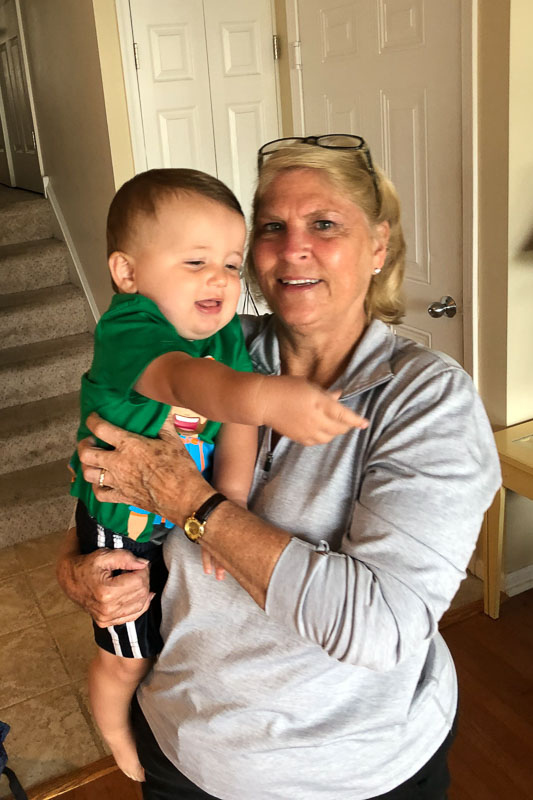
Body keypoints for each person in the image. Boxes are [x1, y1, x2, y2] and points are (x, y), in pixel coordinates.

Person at [58, 136, 501, 800]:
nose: (293, 248)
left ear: (377, 247)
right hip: (183, 749)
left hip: (352, 773)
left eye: (324, 224)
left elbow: (378, 628)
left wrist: (199, 508)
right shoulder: (209, 343)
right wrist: (76, 568)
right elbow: (105, 469)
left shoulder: (428, 399)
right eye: (272, 227)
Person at [69, 167, 367, 782]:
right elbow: (187, 382)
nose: (221, 279)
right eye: (195, 261)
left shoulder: (228, 333)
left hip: (172, 513)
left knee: (155, 637)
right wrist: (269, 396)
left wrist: (226, 504)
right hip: (120, 521)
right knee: (128, 657)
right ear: (127, 273)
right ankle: (116, 732)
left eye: (231, 264)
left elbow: (235, 424)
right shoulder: (130, 327)